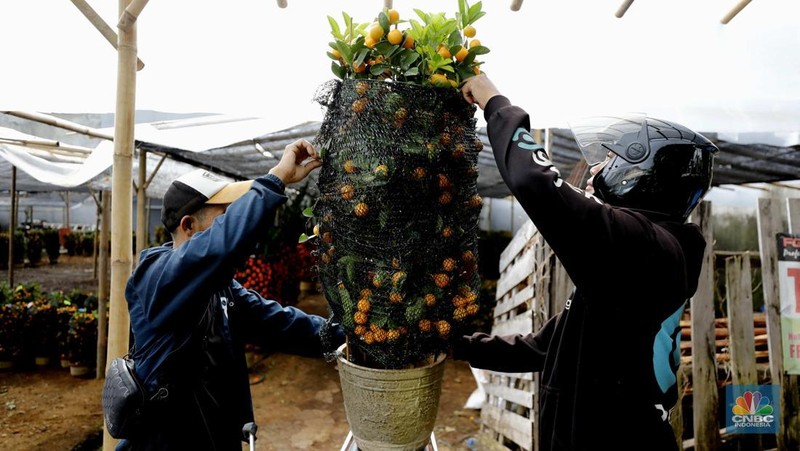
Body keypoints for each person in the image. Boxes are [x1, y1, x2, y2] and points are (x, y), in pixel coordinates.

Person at [454, 74, 718, 451]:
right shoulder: (648, 255)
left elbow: (535, 181)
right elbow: (543, 347)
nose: (595, 170)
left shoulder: (643, 246)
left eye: (610, 160)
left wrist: (495, 104)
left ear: (644, 174)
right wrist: (457, 346)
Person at [118, 139, 342, 450]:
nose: (236, 219)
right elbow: (221, 247)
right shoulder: (155, 278)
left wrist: (350, 335)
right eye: (226, 214)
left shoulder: (221, 289)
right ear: (189, 225)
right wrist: (275, 178)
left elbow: (280, 325)